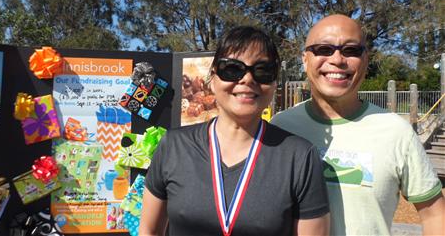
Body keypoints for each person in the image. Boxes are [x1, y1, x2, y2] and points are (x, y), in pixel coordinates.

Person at [140, 26, 330, 235]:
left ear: (274, 83)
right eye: (232, 69)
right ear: (212, 79)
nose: (247, 79)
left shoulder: (300, 157)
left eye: (262, 70)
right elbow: (149, 230)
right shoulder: (173, 146)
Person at [271, 14, 445, 235]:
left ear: (366, 59)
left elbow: (435, 214)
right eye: (323, 49)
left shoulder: (395, 132)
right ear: (305, 59)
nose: (337, 59)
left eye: (351, 50)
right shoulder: (281, 127)